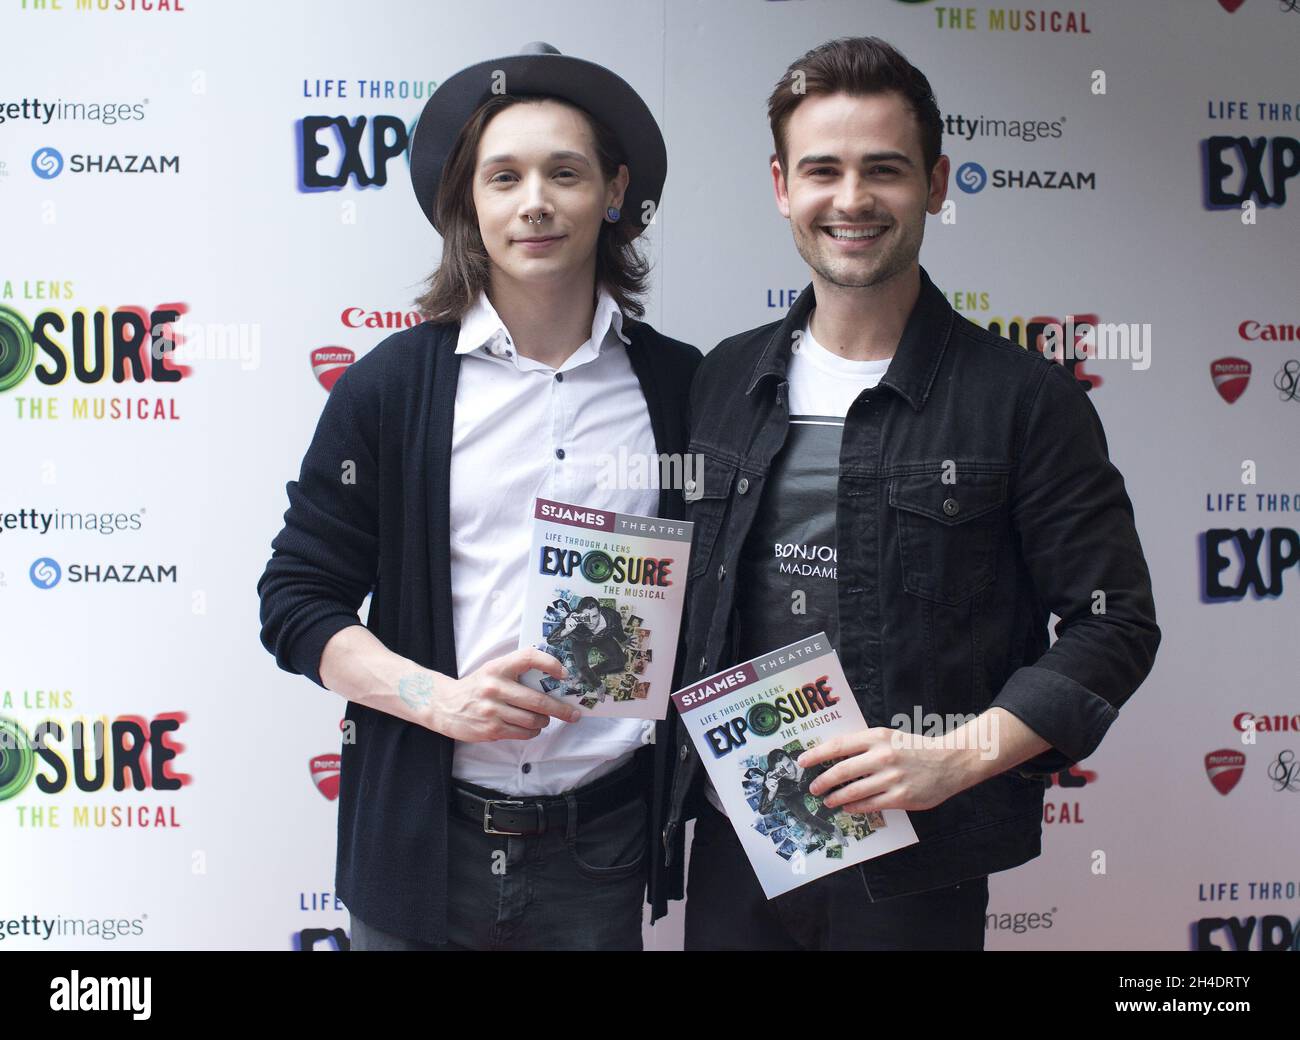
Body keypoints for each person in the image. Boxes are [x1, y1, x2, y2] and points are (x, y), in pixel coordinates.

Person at [659, 36, 1160, 951]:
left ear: (935, 183)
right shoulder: (721, 382)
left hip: (920, 862)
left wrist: (954, 758)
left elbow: (1113, 623)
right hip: (738, 840)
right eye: (823, 170)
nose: (850, 200)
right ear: (781, 187)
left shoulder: (1022, 399)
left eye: (883, 170)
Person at [257, 42, 699, 951]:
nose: (534, 200)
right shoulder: (389, 389)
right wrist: (435, 698)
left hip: (605, 846)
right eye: (504, 176)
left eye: (563, 173)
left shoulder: (685, 390)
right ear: (469, 204)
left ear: (613, 194)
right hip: (425, 846)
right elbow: (296, 601)